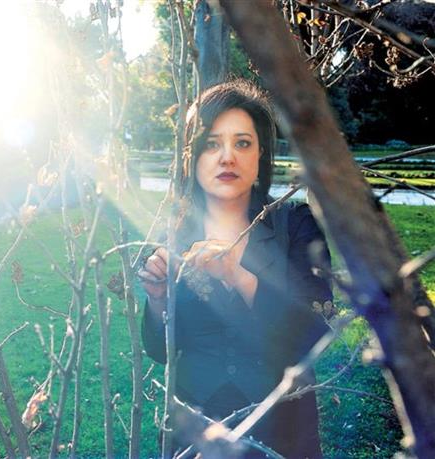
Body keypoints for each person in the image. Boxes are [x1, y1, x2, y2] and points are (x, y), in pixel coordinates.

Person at [139, 79, 332, 458]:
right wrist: (158, 300)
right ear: (191, 155)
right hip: (195, 426)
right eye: (211, 144)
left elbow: (316, 332)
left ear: (261, 153)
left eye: (242, 143)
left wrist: (240, 278)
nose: (227, 157)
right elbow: (160, 351)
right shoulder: (172, 234)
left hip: (283, 424)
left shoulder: (296, 224)